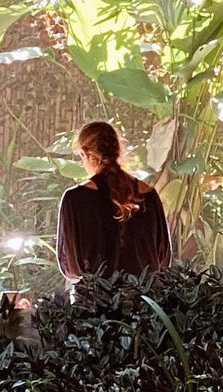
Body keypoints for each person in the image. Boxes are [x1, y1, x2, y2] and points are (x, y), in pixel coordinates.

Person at [56, 120, 173, 290]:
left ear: (85, 153)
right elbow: (162, 258)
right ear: (118, 150)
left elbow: (71, 267)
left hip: (96, 305)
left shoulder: (74, 199)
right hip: (146, 304)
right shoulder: (149, 195)